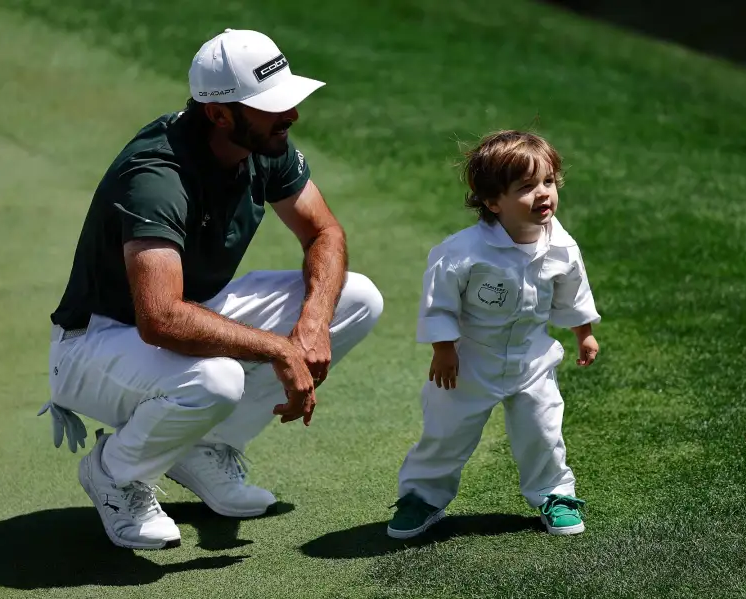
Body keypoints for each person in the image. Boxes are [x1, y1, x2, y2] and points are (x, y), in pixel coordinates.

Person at [37, 28, 384, 550]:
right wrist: (280, 350)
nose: (291, 115)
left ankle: (203, 447)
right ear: (220, 114)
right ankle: (115, 473)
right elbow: (161, 320)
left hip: (185, 315)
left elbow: (323, 231)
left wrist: (310, 327)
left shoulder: (265, 144)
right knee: (217, 379)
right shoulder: (157, 175)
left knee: (356, 300)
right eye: (272, 106)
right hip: (95, 347)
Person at [386, 130, 600, 539]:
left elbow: (574, 292)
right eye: (526, 187)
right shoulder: (461, 252)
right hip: (469, 362)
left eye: (548, 182)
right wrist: (443, 349)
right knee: (446, 432)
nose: (543, 194)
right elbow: (440, 303)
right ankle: (422, 497)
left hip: (532, 357)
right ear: (492, 201)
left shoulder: (562, 246)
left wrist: (583, 332)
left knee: (543, 429)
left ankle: (554, 493)